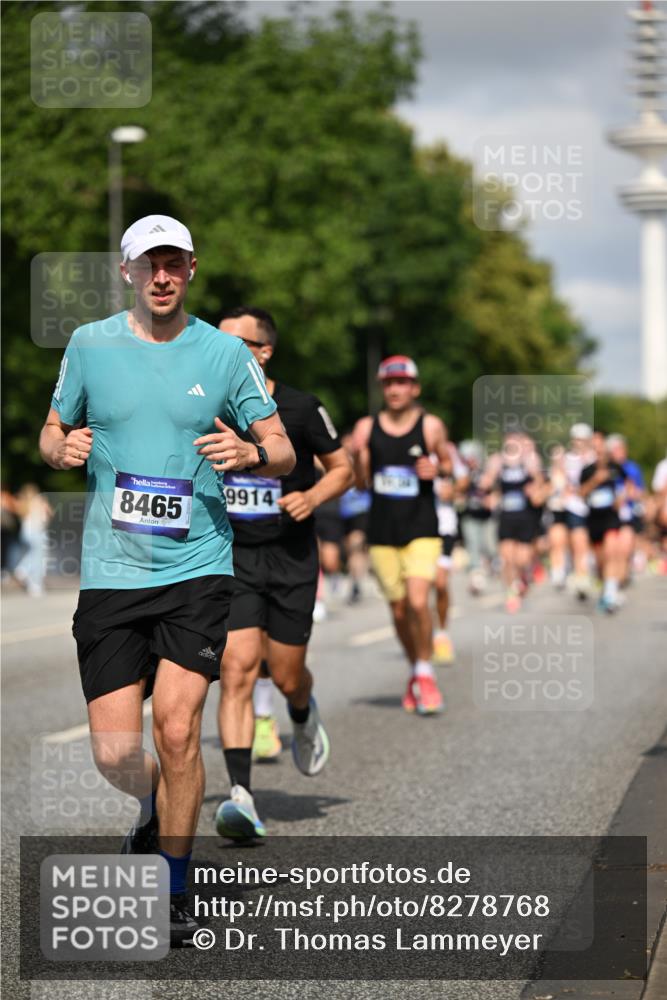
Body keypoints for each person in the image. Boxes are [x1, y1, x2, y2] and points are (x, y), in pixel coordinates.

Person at [39, 216, 294, 946]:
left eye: (174, 262)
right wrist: (62, 448)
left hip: (198, 567)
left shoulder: (222, 352)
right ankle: (149, 809)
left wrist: (250, 453)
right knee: (116, 753)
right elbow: (50, 431)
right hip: (113, 572)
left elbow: (278, 447)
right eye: (149, 262)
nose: (161, 274)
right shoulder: (90, 345)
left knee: (177, 728)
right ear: (126, 271)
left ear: (191, 269)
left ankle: (175, 888)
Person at [214, 307, 353, 841]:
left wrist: (312, 495)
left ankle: (301, 707)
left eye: (236, 344)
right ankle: (242, 797)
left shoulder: (299, 407)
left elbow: (344, 468)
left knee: (285, 673)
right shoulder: (207, 408)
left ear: (264, 351)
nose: (221, 354)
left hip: (292, 559)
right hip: (233, 560)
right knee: (239, 669)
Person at [351, 356, 451, 715]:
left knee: (418, 601)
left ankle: (425, 671)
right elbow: (360, 483)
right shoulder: (366, 427)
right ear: (383, 388)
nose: (395, 389)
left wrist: (436, 469)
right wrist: (358, 460)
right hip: (382, 531)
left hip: (422, 528)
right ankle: (415, 666)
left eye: (402, 382)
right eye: (389, 383)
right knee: (397, 609)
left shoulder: (431, 426)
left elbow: (451, 466)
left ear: (415, 387)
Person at [481, 430, 543, 614]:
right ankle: (511, 592)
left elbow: (540, 481)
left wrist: (535, 487)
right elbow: (487, 482)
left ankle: (523, 576)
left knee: (522, 558)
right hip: (506, 515)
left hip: (525, 515)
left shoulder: (530, 460)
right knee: (507, 557)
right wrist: (488, 491)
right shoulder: (497, 460)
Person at [578, 432, 625, 613]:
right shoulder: (587, 470)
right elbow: (580, 493)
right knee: (601, 559)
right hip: (594, 518)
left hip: (611, 517)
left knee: (612, 551)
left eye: (600, 445)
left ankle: (611, 594)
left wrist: (621, 498)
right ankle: (604, 583)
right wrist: (595, 480)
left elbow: (625, 487)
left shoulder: (616, 468)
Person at [432, 441, 466, 664]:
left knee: (441, 584)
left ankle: (441, 633)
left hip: (443, 526)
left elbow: (464, 479)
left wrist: (453, 490)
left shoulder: (447, 451)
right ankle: (422, 635)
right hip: (411, 527)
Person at [458, 440, 496, 595]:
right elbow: (457, 493)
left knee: (489, 546)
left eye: (471, 457)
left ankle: (490, 568)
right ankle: (476, 579)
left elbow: (497, 491)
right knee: (473, 545)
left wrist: (491, 496)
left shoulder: (486, 472)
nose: (469, 461)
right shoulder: (462, 473)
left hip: (487, 516)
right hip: (470, 515)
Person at [607, 433, 646, 584]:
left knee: (623, 548)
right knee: (612, 552)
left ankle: (619, 581)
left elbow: (640, 491)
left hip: (627, 514)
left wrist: (632, 493)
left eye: (621, 449)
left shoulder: (632, 468)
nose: (620, 453)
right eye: (616, 450)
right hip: (609, 516)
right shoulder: (607, 469)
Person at [13, 484, 53, 596]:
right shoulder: (40, 499)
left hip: (25, 531)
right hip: (37, 530)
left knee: (33, 554)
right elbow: (49, 512)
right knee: (38, 557)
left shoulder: (23, 502)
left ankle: (30, 581)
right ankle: (23, 571)